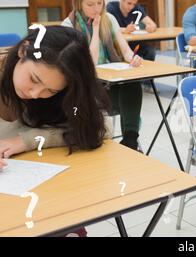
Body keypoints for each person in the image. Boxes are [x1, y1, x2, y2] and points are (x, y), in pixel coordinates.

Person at [0, 26, 112, 237]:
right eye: (34, 79)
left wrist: (27, 140)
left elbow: (100, 127)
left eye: (50, 91)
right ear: (23, 51)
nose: (34, 94)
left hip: (38, 192)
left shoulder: (65, 90)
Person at [62, 0, 144, 151]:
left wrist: (133, 58)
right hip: (88, 92)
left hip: (110, 83)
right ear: (79, 4)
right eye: (90, 5)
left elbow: (125, 50)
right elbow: (91, 61)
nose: (96, 9)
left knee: (132, 83)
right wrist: (95, 27)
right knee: (125, 94)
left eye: (99, 3)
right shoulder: (69, 25)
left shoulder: (109, 18)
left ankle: (130, 140)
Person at [106, 0, 158, 91]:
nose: (131, 7)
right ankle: (126, 83)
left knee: (150, 51)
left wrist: (150, 27)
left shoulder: (136, 8)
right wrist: (124, 30)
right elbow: (109, 27)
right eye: (129, 3)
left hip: (134, 43)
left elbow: (153, 24)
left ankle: (146, 83)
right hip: (118, 44)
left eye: (134, 4)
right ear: (121, 1)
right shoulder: (111, 7)